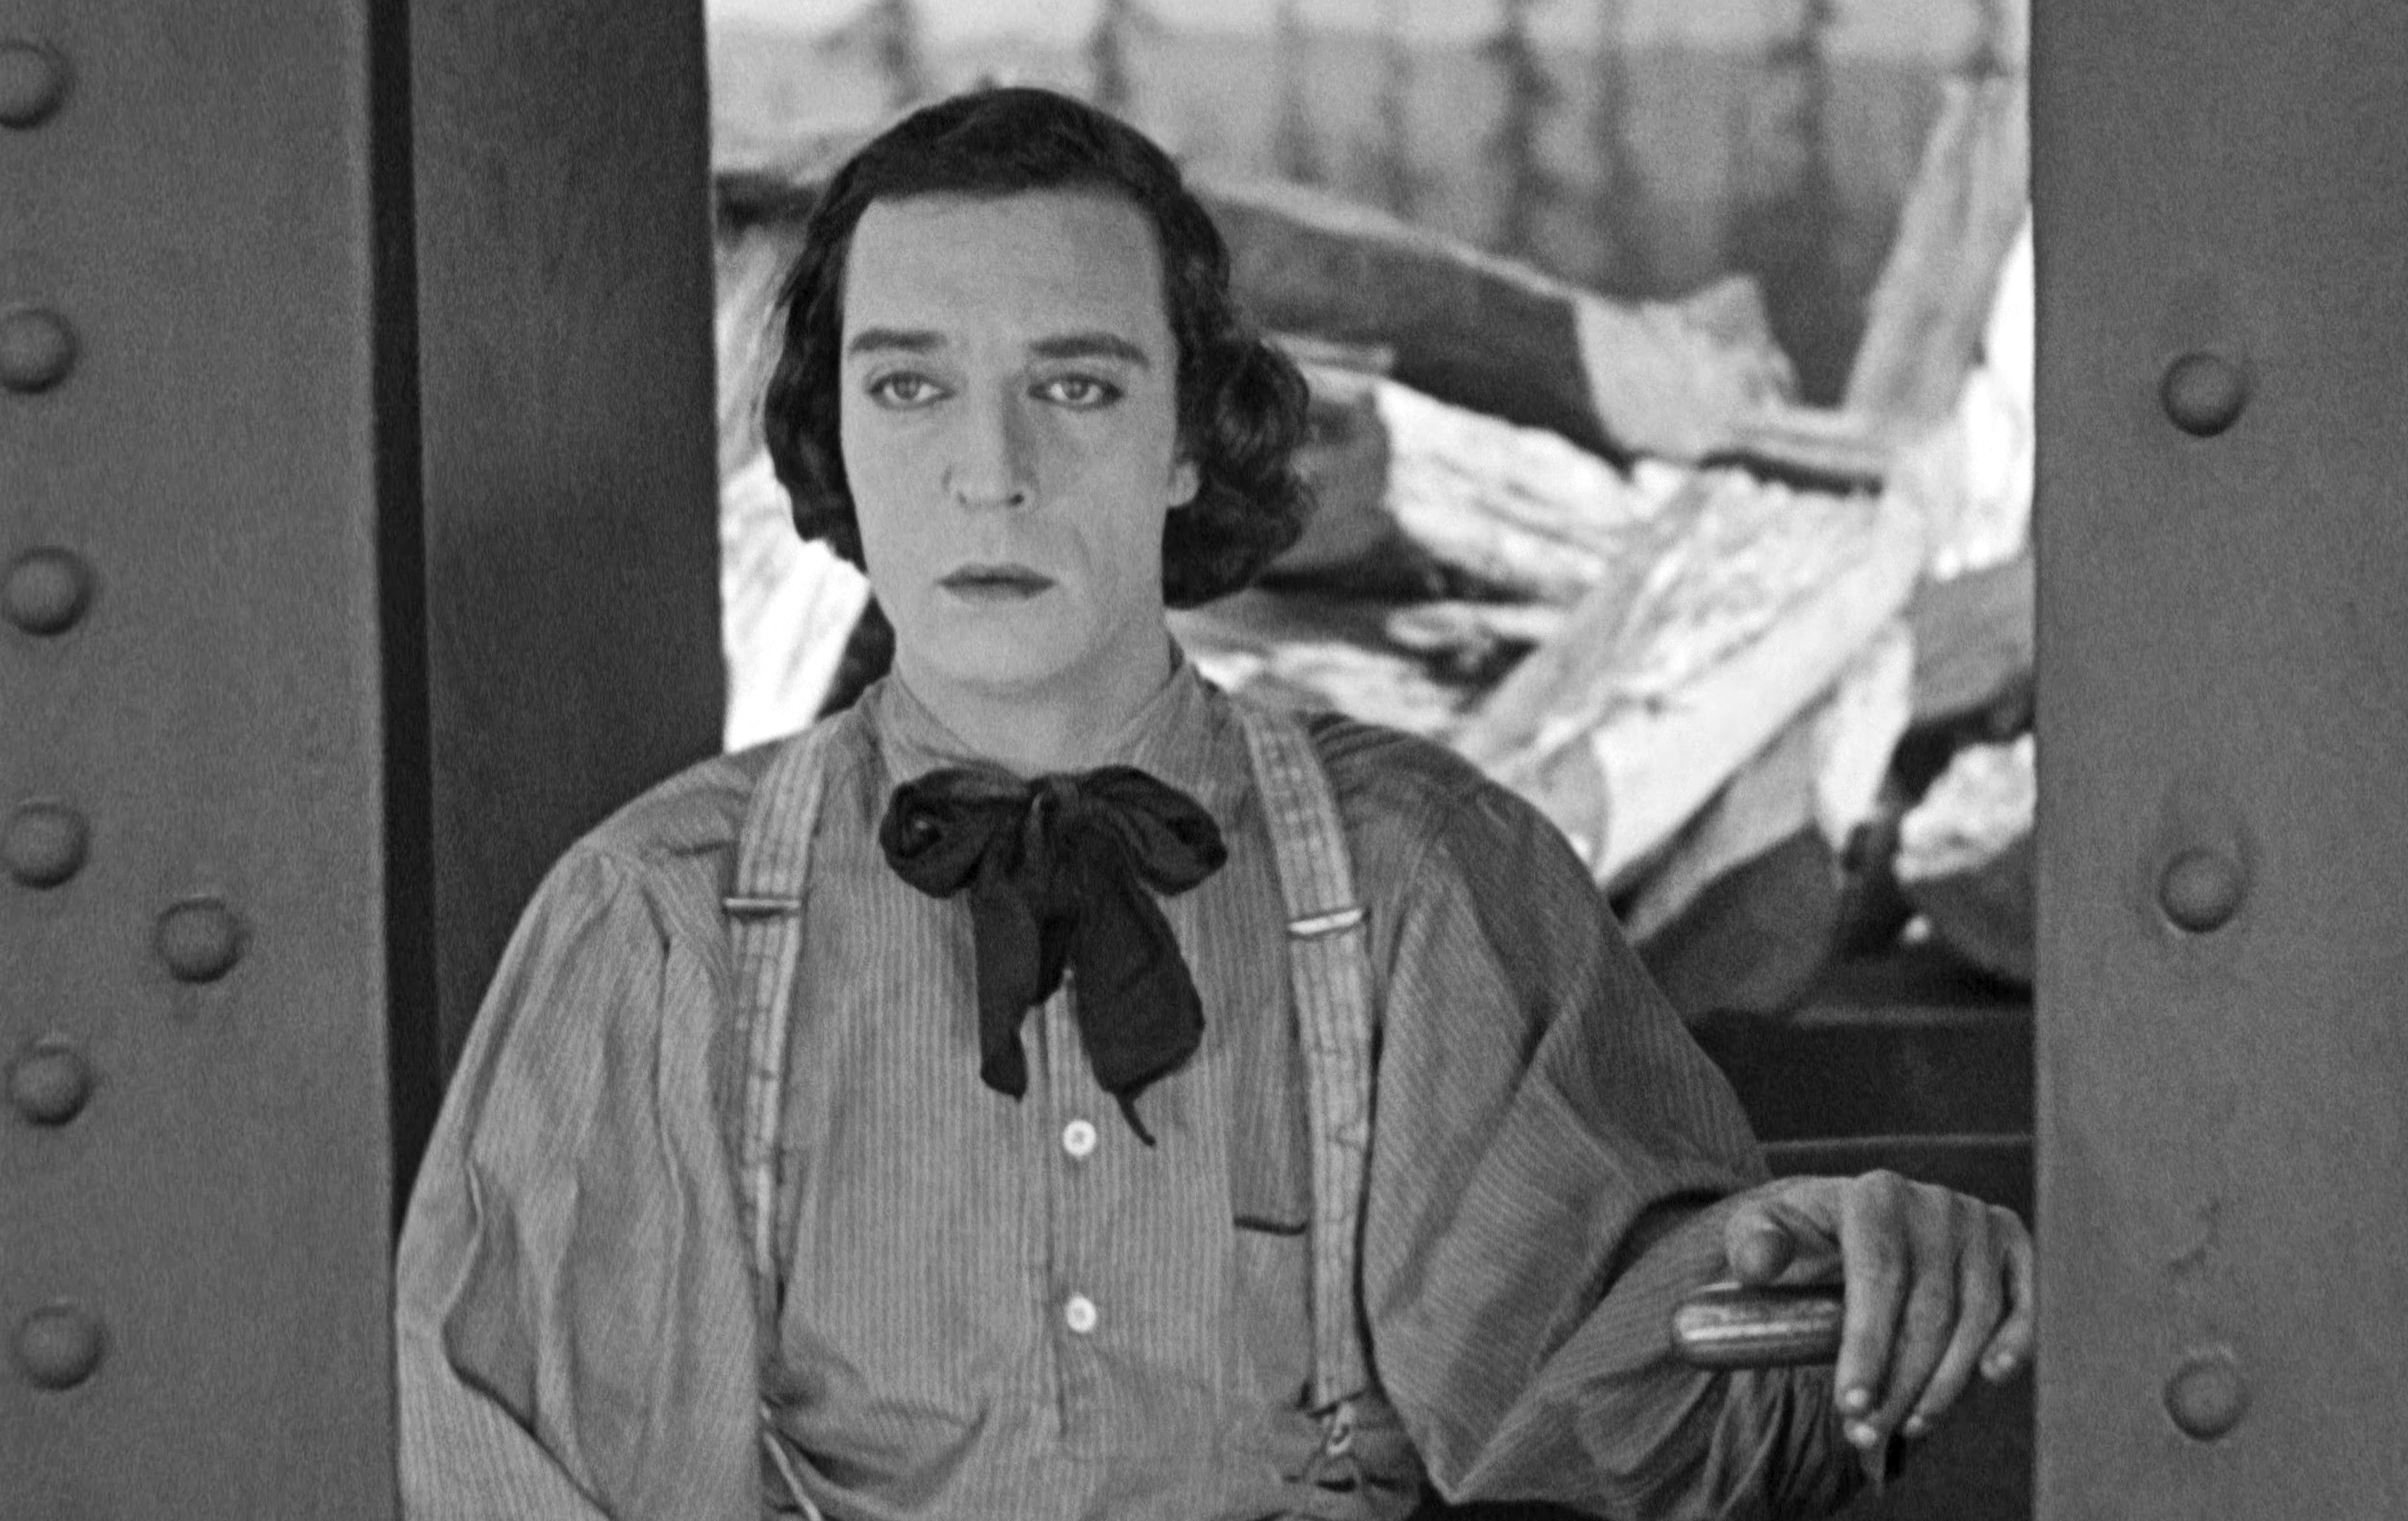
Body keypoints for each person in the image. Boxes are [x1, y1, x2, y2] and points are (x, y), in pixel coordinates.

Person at [394, 87, 2033, 1520]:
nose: (990, 470)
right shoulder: (659, 924)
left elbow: (1632, 1406)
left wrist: (1826, 1265)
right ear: (829, 431)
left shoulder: (1420, 878)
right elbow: (507, 1473)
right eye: (908, 388)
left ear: (1189, 436)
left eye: (1077, 387)